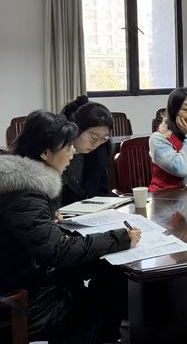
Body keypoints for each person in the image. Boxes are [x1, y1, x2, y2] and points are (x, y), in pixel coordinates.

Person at [0, 110, 141, 344]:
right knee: (102, 295)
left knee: (106, 270)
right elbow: (60, 251)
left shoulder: (22, 184)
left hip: (31, 273)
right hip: (27, 297)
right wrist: (120, 238)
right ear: (45, 153)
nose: (72, 154)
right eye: (68, 148)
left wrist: (48, 221)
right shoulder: (24, 194)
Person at [59, 95, 113, 206]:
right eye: (93, 137)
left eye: (104, 138)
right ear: (75, 128)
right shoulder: (55, 155)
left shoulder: (100, 151)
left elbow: (101, 192)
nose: (96, 144)